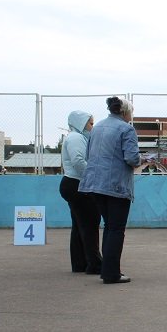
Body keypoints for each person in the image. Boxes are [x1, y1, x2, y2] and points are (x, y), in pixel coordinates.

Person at [79, 96, 141, 284]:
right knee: (116, 229)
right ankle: (112, 273)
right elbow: (131, 158)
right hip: (116, 185)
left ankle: (107, 270)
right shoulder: (126, 129)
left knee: (108, 227)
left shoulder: (97, 127)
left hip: (95, 184)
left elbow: (90, 154)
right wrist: (142, 160)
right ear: (124, 112)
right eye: (131, 112)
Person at [59, 110, 102, 275]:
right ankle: (95, 264)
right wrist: (94, 177)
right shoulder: (76, 138)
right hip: (77, 184)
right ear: (81, 123)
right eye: (90, 123)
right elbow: (78, 161)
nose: (92, 126)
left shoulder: (75, 137)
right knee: (90, 224)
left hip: (72, 183)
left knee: (80, 225)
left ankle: (79, 263)